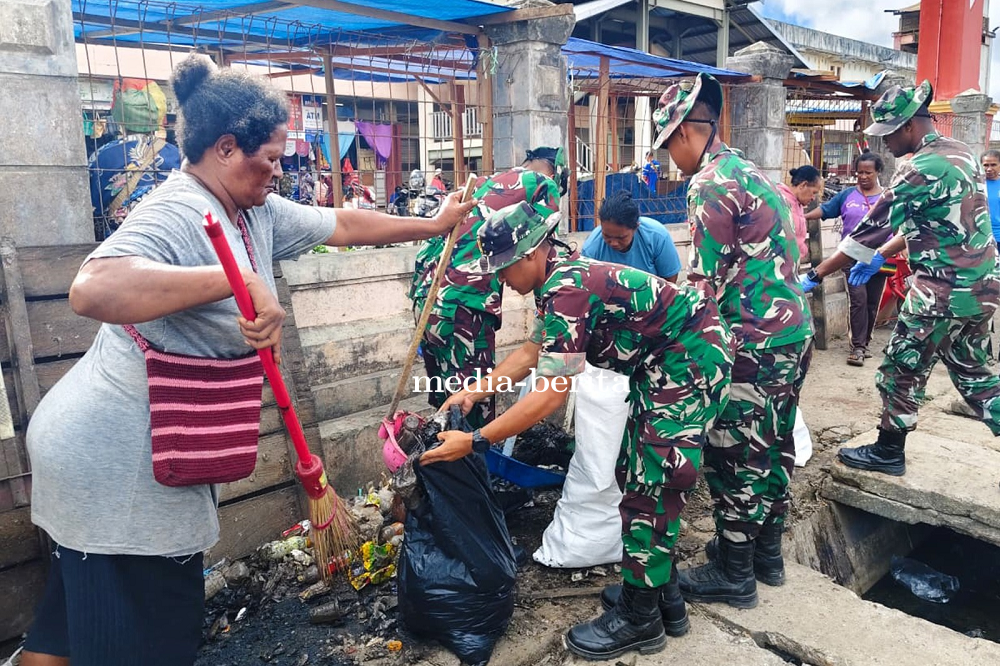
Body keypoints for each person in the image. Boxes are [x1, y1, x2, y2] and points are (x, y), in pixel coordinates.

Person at [20, 55, 474, 666]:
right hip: (119, 468)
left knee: (67, 635)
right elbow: (91, 289)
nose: (280, 169)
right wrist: (232, 280)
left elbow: (341, 223)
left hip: (124, 454)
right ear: (227, 148)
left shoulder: (253, 209)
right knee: (148, 643)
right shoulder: (179, 209)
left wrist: (430, 224)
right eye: (272, 156)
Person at [423, 201, 733, 661]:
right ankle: (661, 594)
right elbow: (532, 354)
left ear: (530, 254)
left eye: (504, 270)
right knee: (634, 473)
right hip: (668, 364)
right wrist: (473, 391)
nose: (502, 282)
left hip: (690, 363)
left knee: (652, 485)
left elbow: (550, 395)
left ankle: (640, 619)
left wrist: (476, 439)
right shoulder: (559, 281)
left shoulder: (566, 287)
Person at [655, 73, 814, 607]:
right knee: (773, 443)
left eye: (666, 147)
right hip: (793, 334)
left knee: (735, 453)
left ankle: (734, 571)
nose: (669, 160)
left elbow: (701, 287)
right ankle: (765, 554)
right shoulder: (748, 169)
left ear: (683, 134)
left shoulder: (711, 184)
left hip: (752, 343)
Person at [800, 80, 1000, 477]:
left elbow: (870, 229)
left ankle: (888, 451)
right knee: (973, 373)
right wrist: (882, 256)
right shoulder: (962, 153)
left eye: (887, 134)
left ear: (908, 126)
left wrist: (816, 274)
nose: (885, 143)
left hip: (942, 291)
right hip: (982, 287)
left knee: (899, 368)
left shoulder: (919, 168)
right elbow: (929, 224)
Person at [408, 148, 565, 429]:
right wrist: (549, 311)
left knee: (448, 394)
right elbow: (542, 257)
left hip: (426, 294)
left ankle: (445, 460)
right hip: (465, 302)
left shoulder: (484, 183)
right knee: (471, 402)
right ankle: (470, 465)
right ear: (554, 173)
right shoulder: (545, 186)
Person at [805, 152, 889, 366]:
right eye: (859, 172)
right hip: (850, 257)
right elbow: (825, 210)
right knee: (858, 300)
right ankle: (858, 347)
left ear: (878, 172)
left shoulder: (888, 197)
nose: (862, 176)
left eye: (868, 172)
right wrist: (801, 217)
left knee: (872, 303)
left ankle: (865, 342)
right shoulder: (848, 195)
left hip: (880, 256)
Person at [88, 78, 181, 240]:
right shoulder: (178, 155)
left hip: (122, 244)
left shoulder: (102, 156)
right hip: (171, 240)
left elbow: (93, 208)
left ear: (119, 117)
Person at [582, 191, 682, 282]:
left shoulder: (657, 237)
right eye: (607, 236)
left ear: (636, 227)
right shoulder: (591, 248)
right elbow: (587, 286)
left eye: (621, 237)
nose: (613, 243)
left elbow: (670, 280)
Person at [777, 164, 821, 260]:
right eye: (813, 192)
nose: (813, 198)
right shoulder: (781, 201)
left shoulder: (798, 203)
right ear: (803, 185)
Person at [982, 149, 1000, 242]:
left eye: (993, 165)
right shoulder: (975, 185)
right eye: (985, 165)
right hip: (980, 237)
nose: (989, 169)